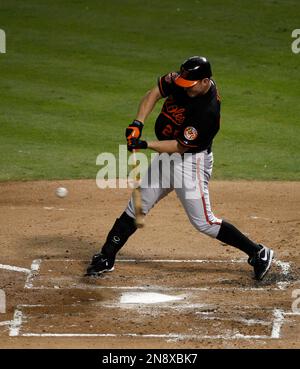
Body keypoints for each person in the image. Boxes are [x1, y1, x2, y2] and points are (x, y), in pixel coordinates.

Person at [86, 56, 274, 280]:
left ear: (205, 81)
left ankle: (259, 253)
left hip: (190, 164)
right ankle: (107, 256)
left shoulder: (208, 112)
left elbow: (178, 146)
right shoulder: (184, 80)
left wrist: (145, 144)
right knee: (138, 204)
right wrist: (137, 123)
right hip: (168, 157)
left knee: (204, 222)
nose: (186, 89)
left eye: (191, 86)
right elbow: (154, 92)